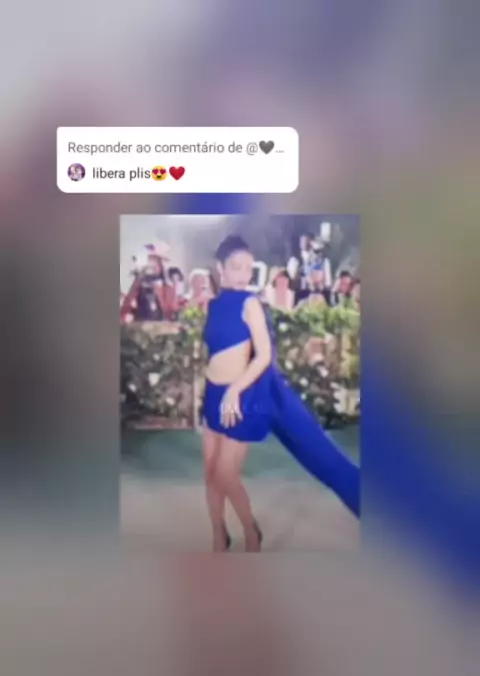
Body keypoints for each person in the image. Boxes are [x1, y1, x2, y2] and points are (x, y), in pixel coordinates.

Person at [202, 235, 360, 554]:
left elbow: (263, 355)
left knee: (226, 474)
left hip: (240, 394)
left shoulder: (250, 303)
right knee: (210, 472)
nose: (244, 275)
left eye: (249, 268)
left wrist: (235, 390)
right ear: (221, 268)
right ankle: (219, 535)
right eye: (236, 267)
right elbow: (215, 352)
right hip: (213, 394)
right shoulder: (213, 305)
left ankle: (251, 530)